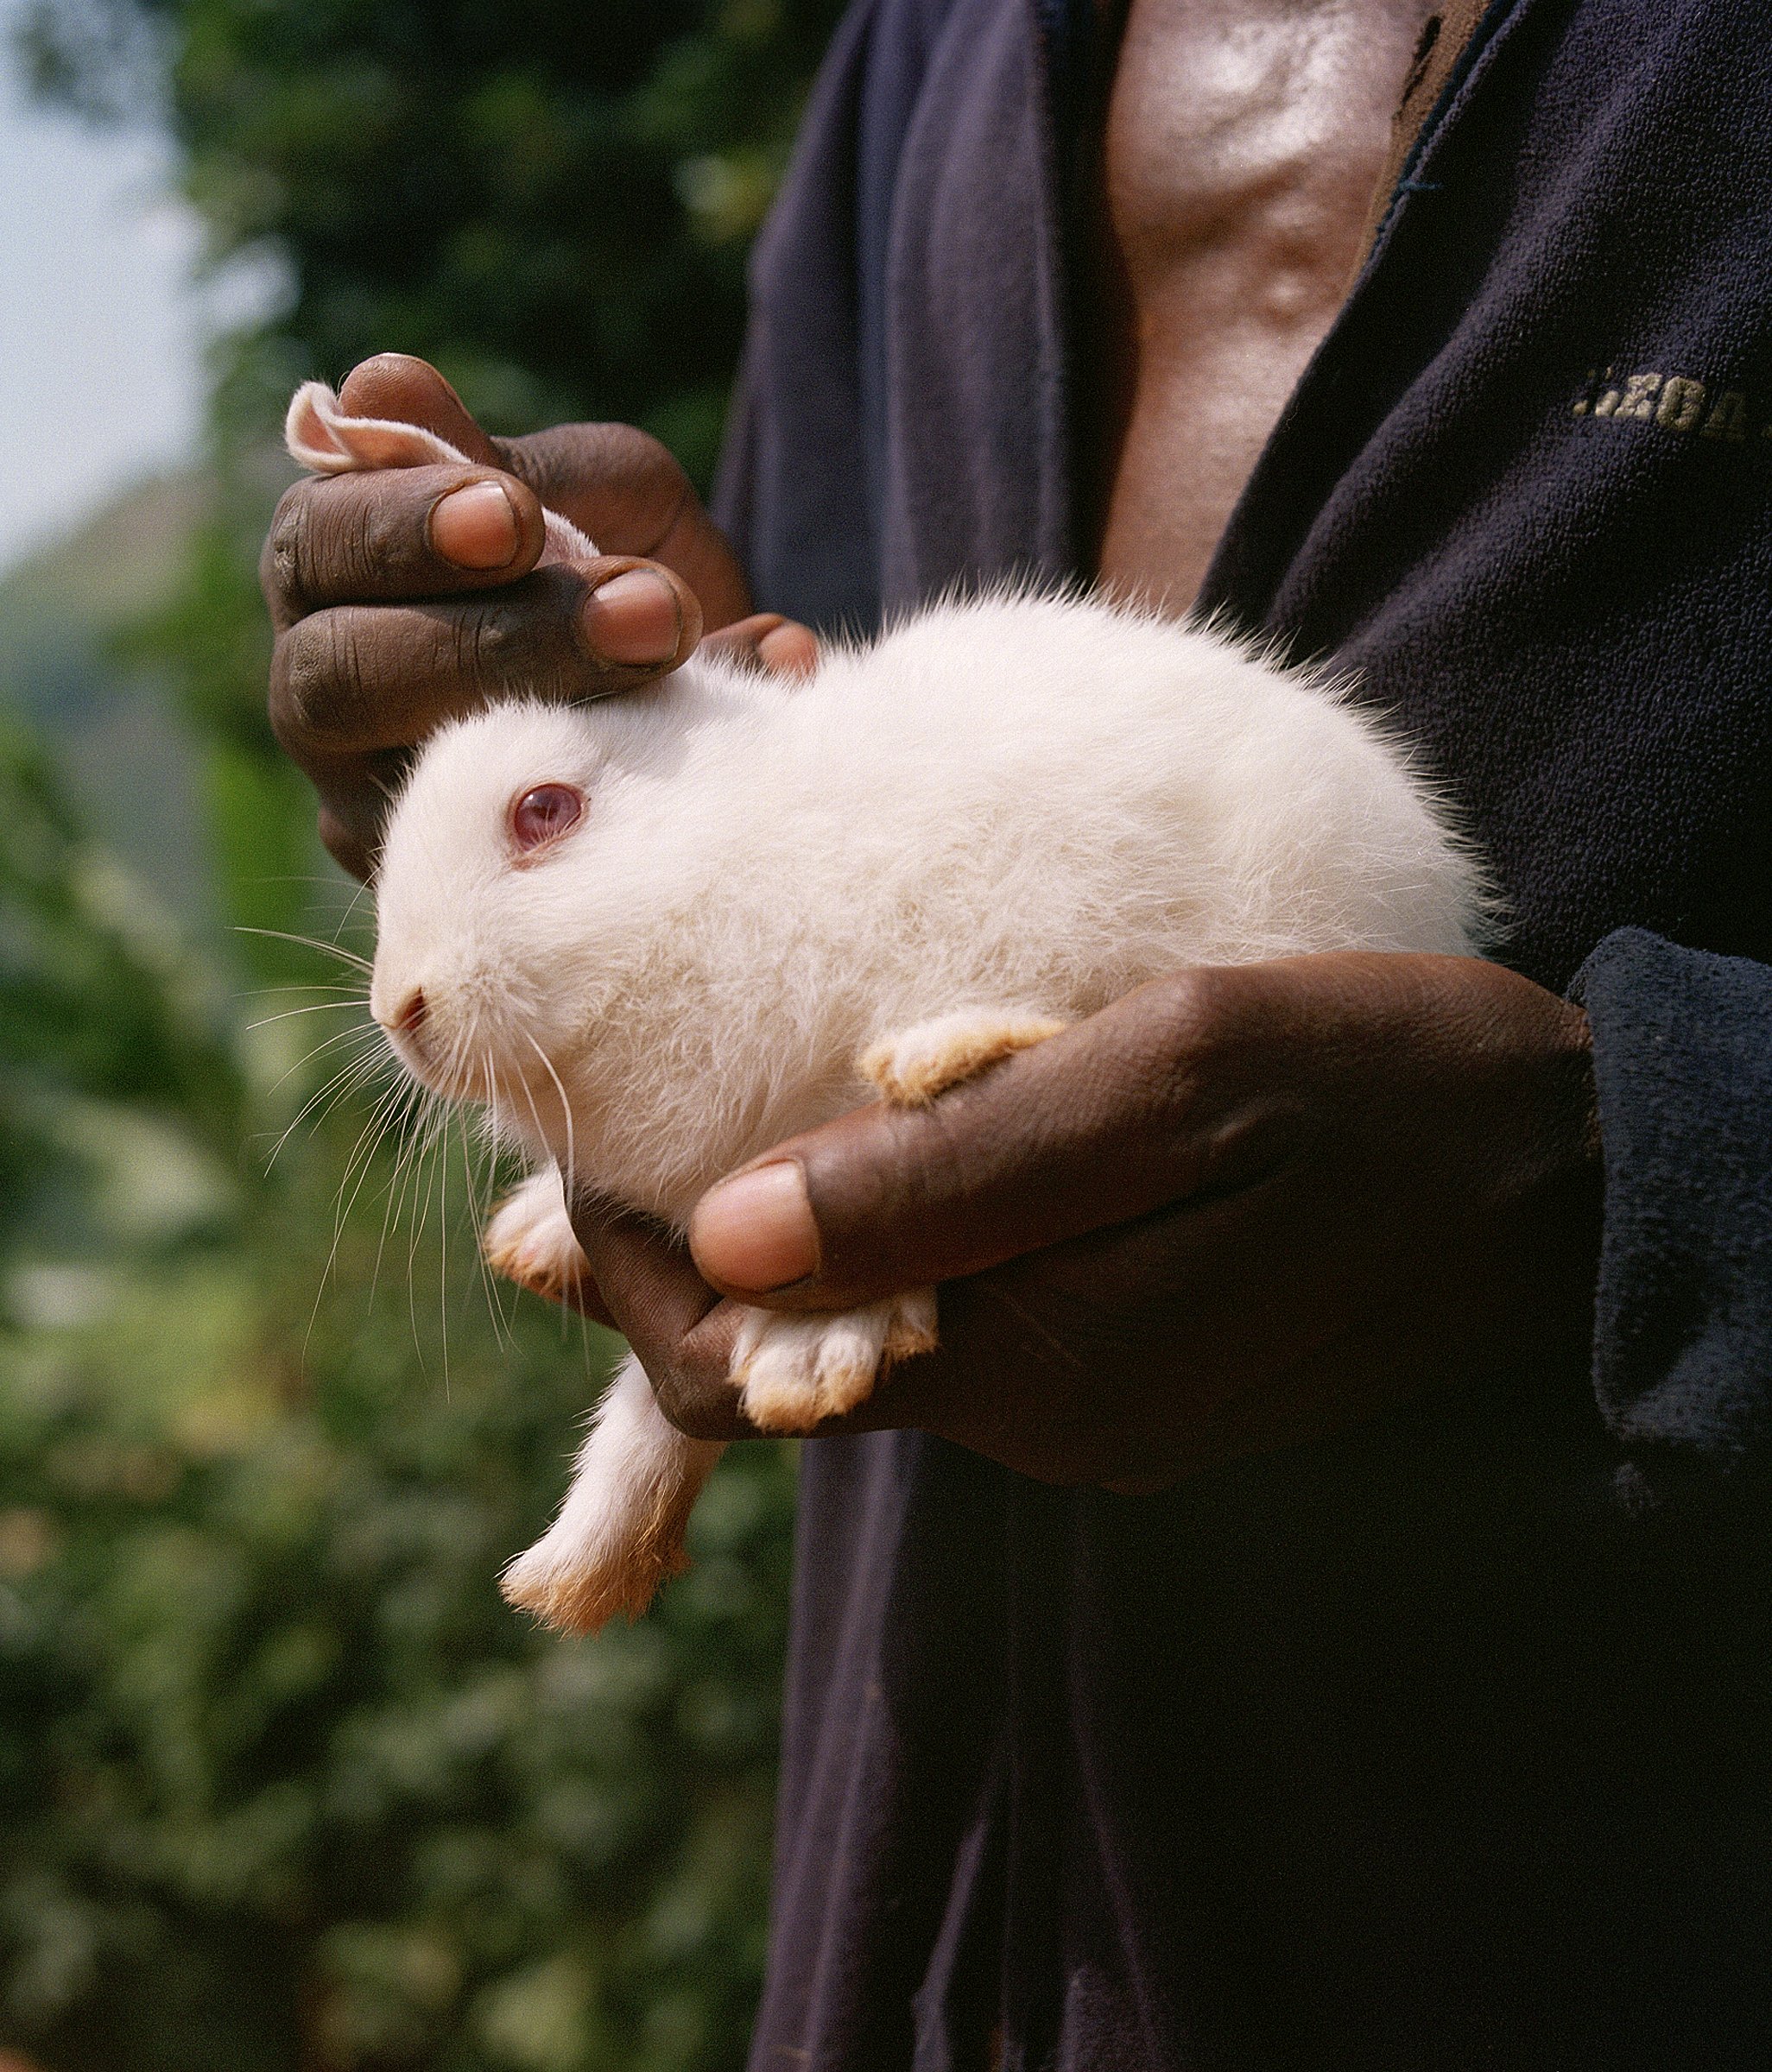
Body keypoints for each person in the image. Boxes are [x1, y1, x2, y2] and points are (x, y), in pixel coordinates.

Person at [263, 0, 1772, 2063]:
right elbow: (773, 672)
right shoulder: (922, 56)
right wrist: (566, 641)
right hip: (939, 1901)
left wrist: (1657, 1158)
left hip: (1608, 1891)